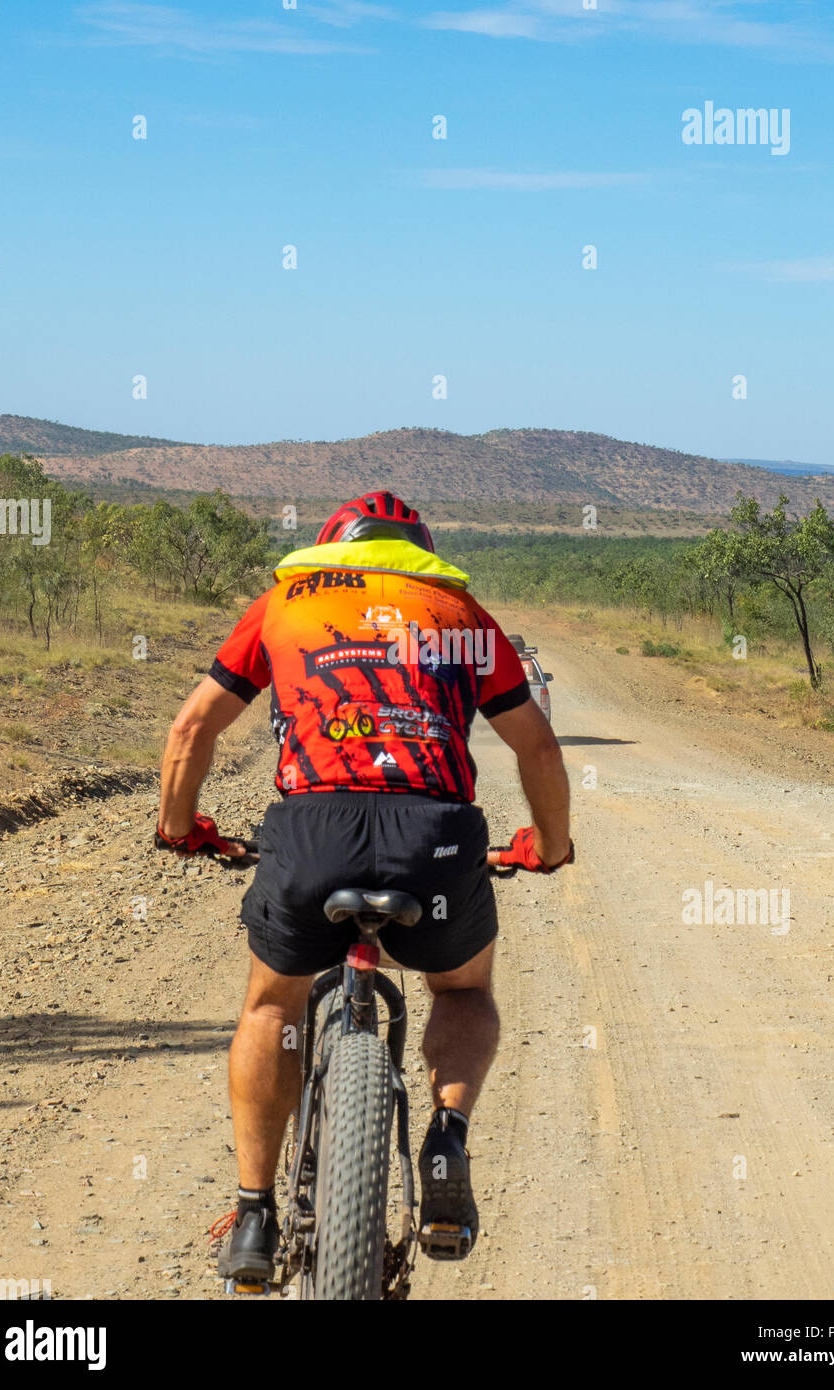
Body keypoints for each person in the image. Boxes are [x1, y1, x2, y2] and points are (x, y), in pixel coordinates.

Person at [154, 490, 572, 1282]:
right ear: (417, 549)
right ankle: (447, 1134)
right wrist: (548, 847)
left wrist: (179, 828)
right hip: (435, 837)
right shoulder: (461, 614)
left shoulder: (282, 604)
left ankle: (252, 1214)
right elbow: (538, 751)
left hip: (314, 834)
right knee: (462, 991)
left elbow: (191, 729)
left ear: (330, 546)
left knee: (272, 1004)